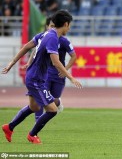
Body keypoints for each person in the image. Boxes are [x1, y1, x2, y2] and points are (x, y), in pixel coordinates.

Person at [1, 10, 82, 144]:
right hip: (36, 79)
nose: (69, 27)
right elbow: (56, 61)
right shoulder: (52, 38)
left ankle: (9, 127)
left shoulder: (45, 34)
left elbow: (27, 46)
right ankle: (32, 135)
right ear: (66, 24)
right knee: (52, 110)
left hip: (34, 76)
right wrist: (70, 77)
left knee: (34, 107)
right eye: (70, 25)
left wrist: (12, 63)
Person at [21, 16, 77, 121]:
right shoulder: (45, 37)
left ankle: (58, 103)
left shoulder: (64, 41)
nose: (51, 28)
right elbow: (35, 50)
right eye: (50, 26)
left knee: (53, 100)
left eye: (53, 26)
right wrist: (29, 62)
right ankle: (37, 122)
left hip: (58, 74)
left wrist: (66, 69)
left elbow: (74, 56)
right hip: (45, 73)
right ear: (47, 26)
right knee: (40, 99)